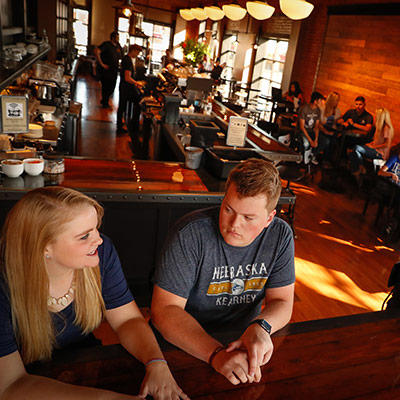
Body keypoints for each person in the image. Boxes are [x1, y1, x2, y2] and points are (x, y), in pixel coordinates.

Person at [0, 187, 188, 400]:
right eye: (84, 236)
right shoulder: (4, 282)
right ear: (44, 247)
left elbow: (127, 320)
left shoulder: (101, 252)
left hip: (83, 362)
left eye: (96, 228)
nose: (98, 240)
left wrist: (156, 363)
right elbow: (9, 385)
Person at [151, 159, 295, 386]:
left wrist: (261, 326)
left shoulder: (280, 235)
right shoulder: (191, 233)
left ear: (269, 218)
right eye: (228, 209)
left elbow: (282, 300)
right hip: (185, 341)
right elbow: (164, 311)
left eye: (248, 218)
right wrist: (216, 353)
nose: (234, 224)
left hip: (243, 341)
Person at [349, 107, 394, 183]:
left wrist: (373, 147)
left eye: (377, 115)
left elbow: (387, 144)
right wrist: (370, 144)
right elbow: (377, 141)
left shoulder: (386, 128)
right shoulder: (379, 126)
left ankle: (359, 168)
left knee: (357, 148)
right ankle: (358, 171)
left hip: (380, 153)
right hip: (375, 150)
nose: (375, 117)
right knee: (352, 152)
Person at [117, 44, 143, 135]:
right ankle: (130, 126)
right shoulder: (128, 61)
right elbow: (127, 78)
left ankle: (123, 125)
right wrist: (137, 83)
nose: (138, 54)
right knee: (136, 101)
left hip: (124, 87)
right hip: (126, 88)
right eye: (137, 52)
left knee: (122, 106)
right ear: (133, 50)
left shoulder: (126, 59)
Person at [94, 31, 123, 108]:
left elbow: (121, 56)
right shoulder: (106, 45)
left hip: (114, 70)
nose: (118, 39)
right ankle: (105, 102)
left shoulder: (118, 46)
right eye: (117, 37)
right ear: (113, 38)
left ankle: (104, 100)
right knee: (106, 86)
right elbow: (96, 51)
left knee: (112, 87)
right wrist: (102, 64)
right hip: (106, 70)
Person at [295, 91, 325, 165]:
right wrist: (311, 141)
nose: (322, 103)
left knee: (325, 141)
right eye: (320, 101)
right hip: (301, 131)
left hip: (311, 131)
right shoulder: (304, 109)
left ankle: (311, 155)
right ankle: (300, 156)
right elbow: (302, 127)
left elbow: (316, 126)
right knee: (306, 143)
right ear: (315, 101)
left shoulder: (318, 111)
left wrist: (316, 139)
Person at [318, 91, 341, 166]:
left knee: (335, 141)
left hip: (331, 130)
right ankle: (324, 160)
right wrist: (326, 132)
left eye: (338, 100)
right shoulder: (322, 109)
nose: (338, 102)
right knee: (328, 141)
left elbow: (335, 124)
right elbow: (318, 124)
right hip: (320, 129)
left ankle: (330, 160)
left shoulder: (337, 111)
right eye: (336, 100)